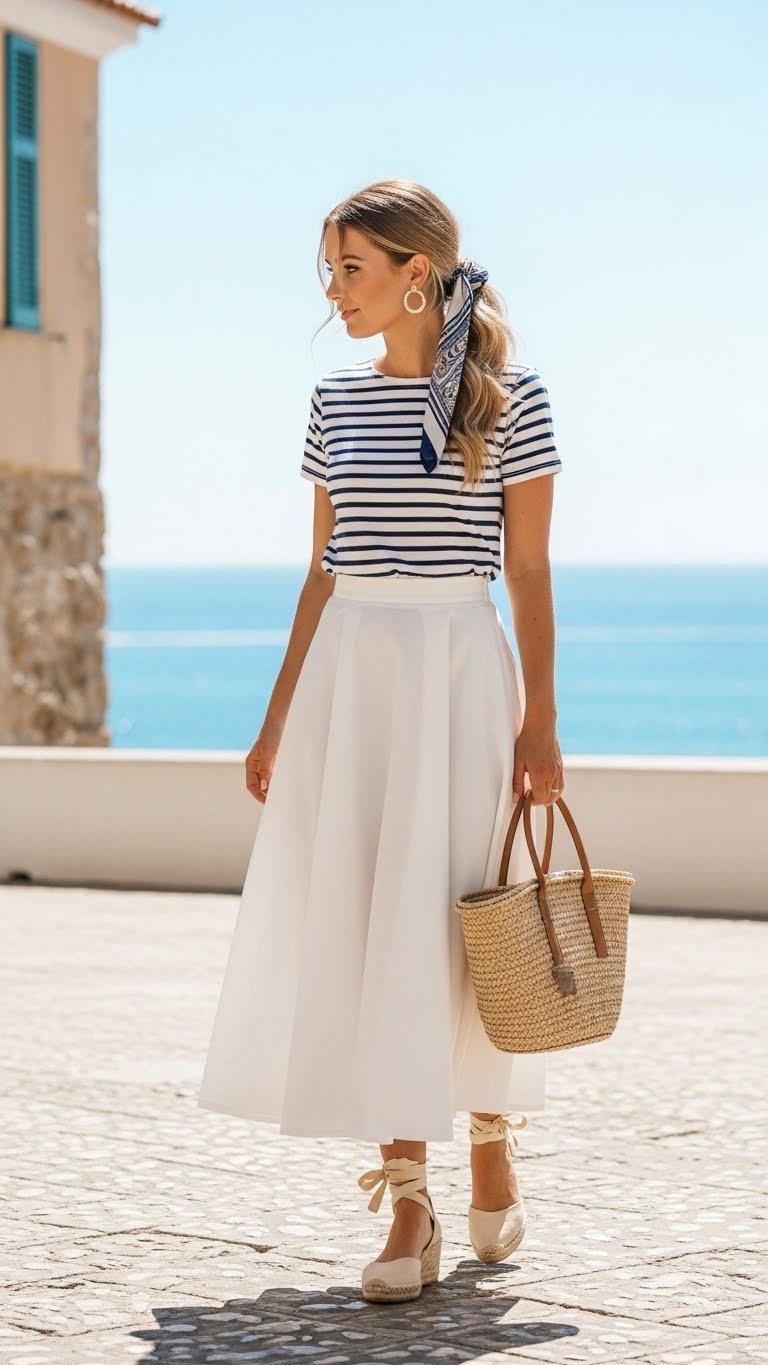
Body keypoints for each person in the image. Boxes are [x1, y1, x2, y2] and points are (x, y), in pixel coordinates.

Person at [196, 178, 565, 1303]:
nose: (333, 292)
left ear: (417, 274)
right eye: (329, 270)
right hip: (353, 673)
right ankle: (408, 1194)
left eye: (349, 269)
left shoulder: (517, 402)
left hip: (460, 667)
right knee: (369, 920)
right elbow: (320, 571)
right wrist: (276, 715)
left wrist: (540, 721)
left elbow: (532, 573)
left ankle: (490, 1125)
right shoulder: (332, 403)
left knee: (462, 913)